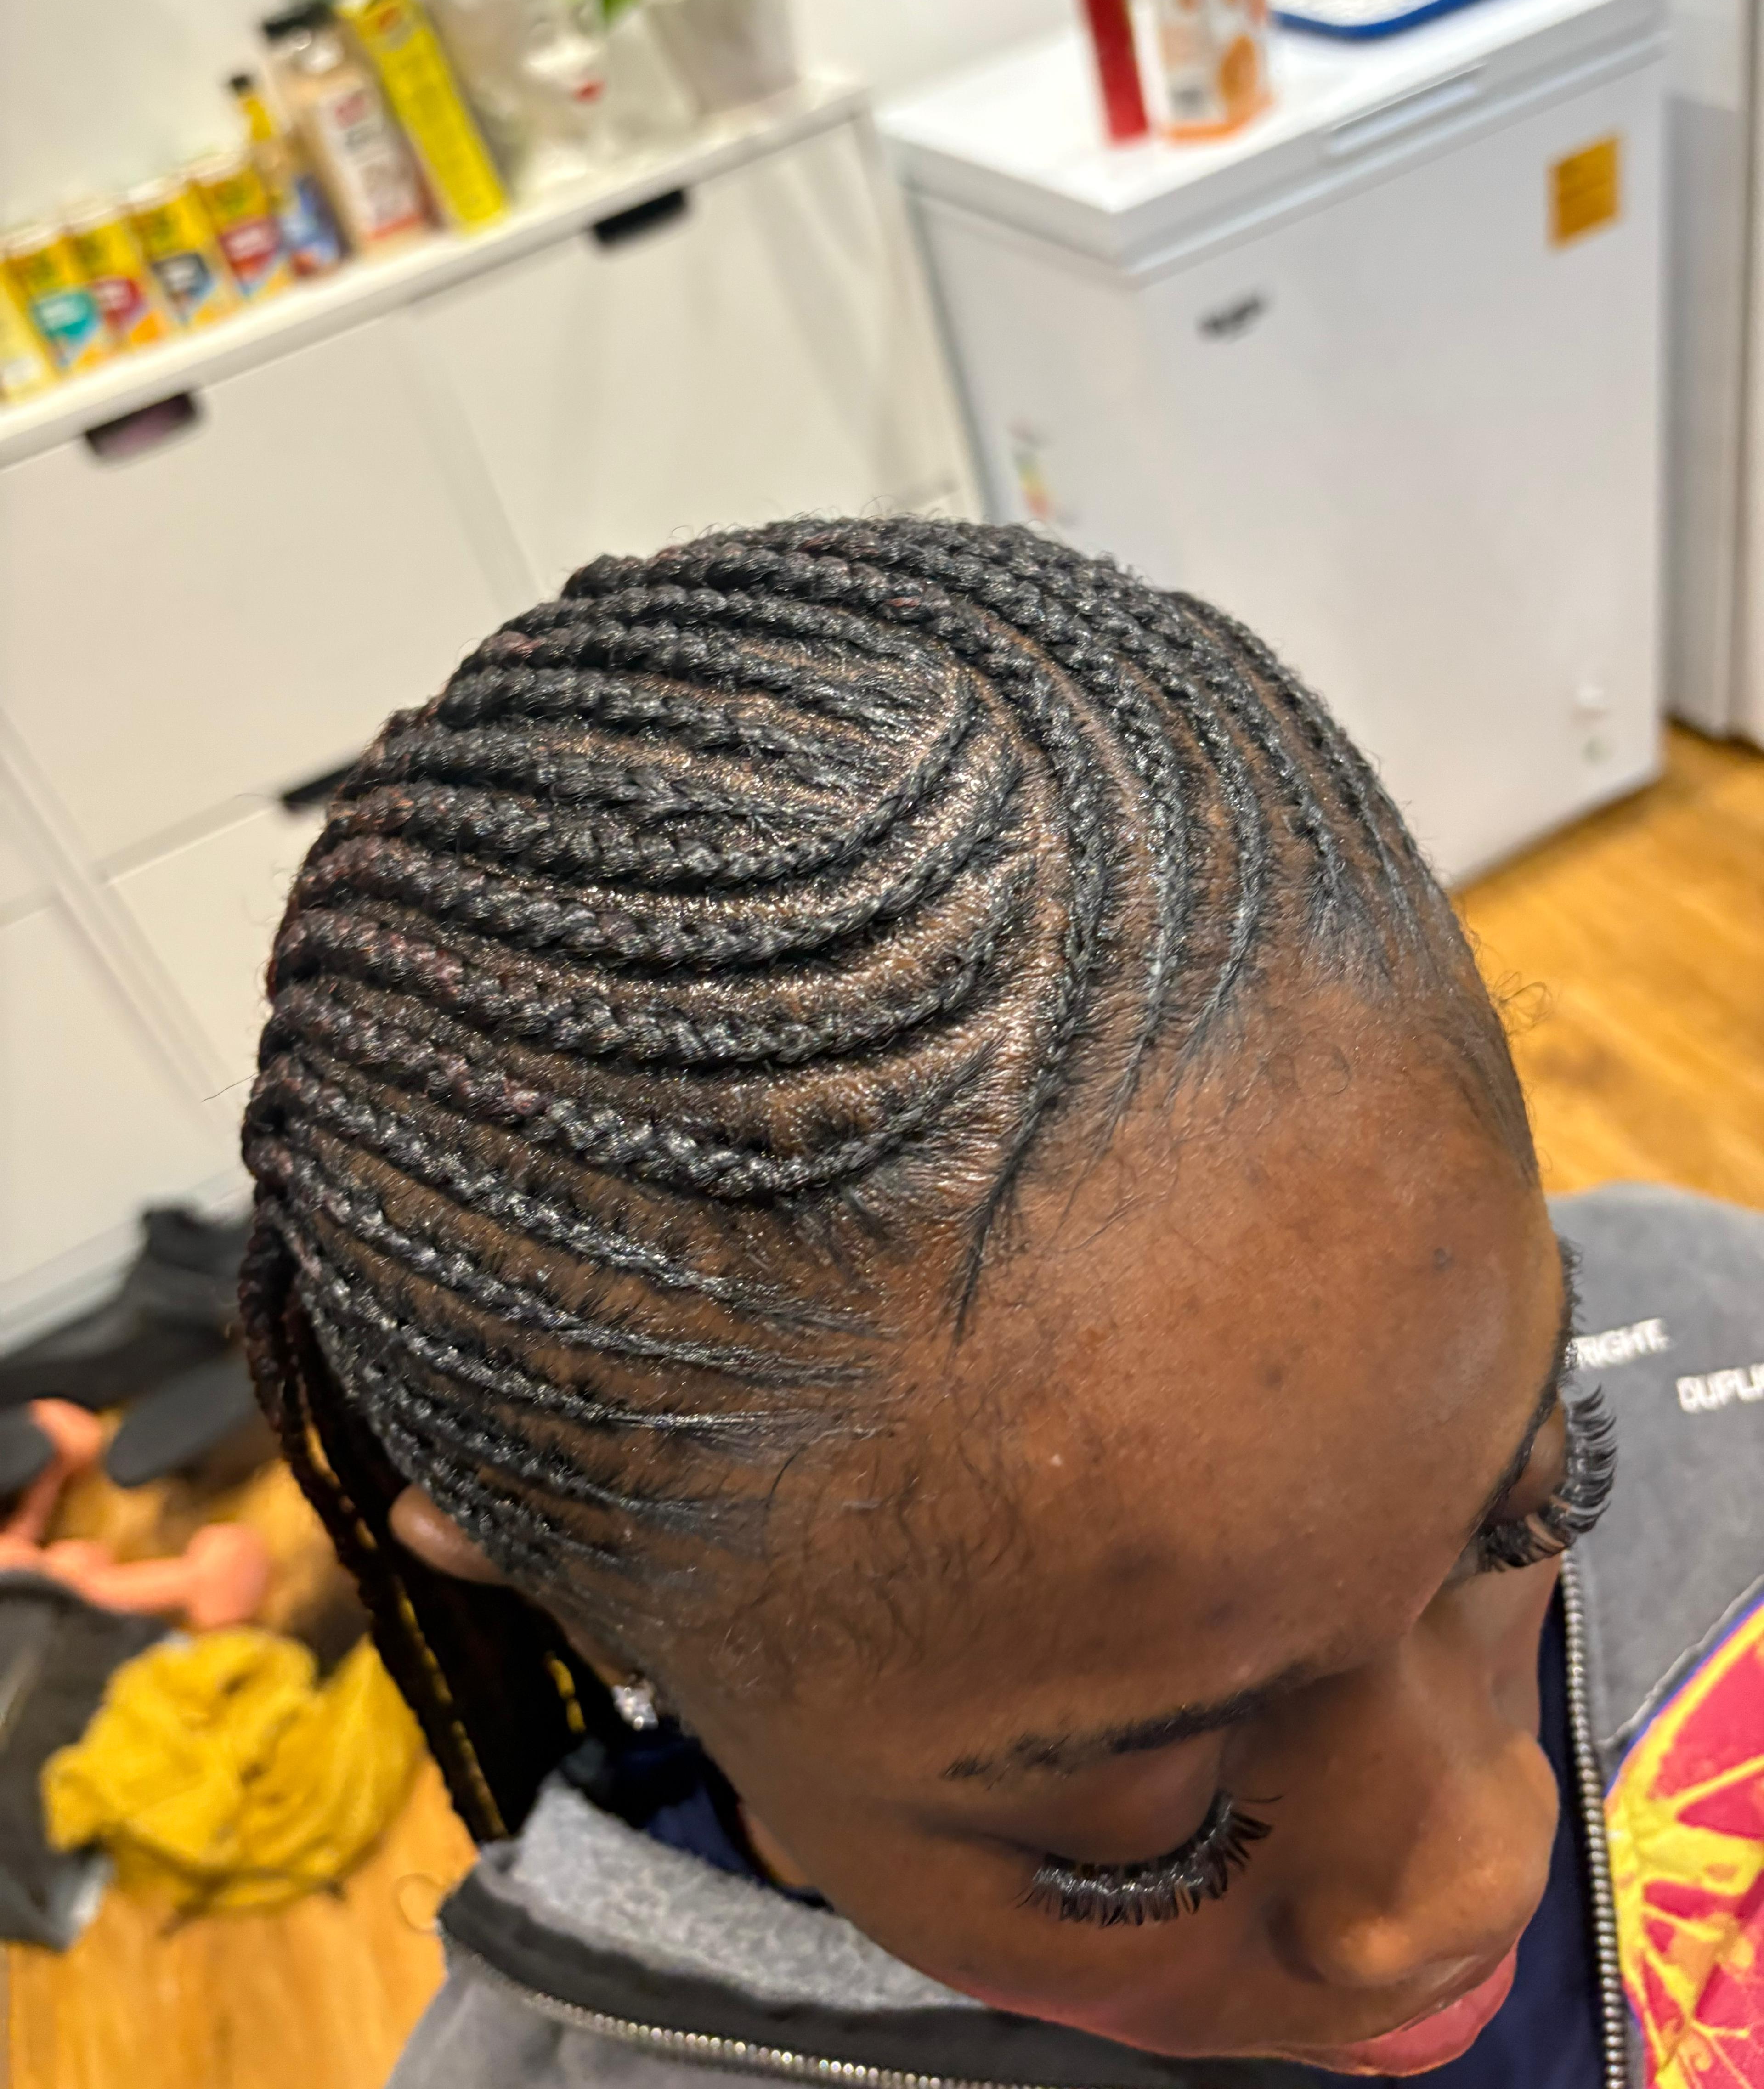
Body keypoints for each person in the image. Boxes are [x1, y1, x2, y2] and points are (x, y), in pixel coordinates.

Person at [239, 520, 1764, 2087]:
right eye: (1148, 1835)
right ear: (584, 1602)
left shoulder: (1719, 1331)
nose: (1481, 1870)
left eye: (1529, 1507)